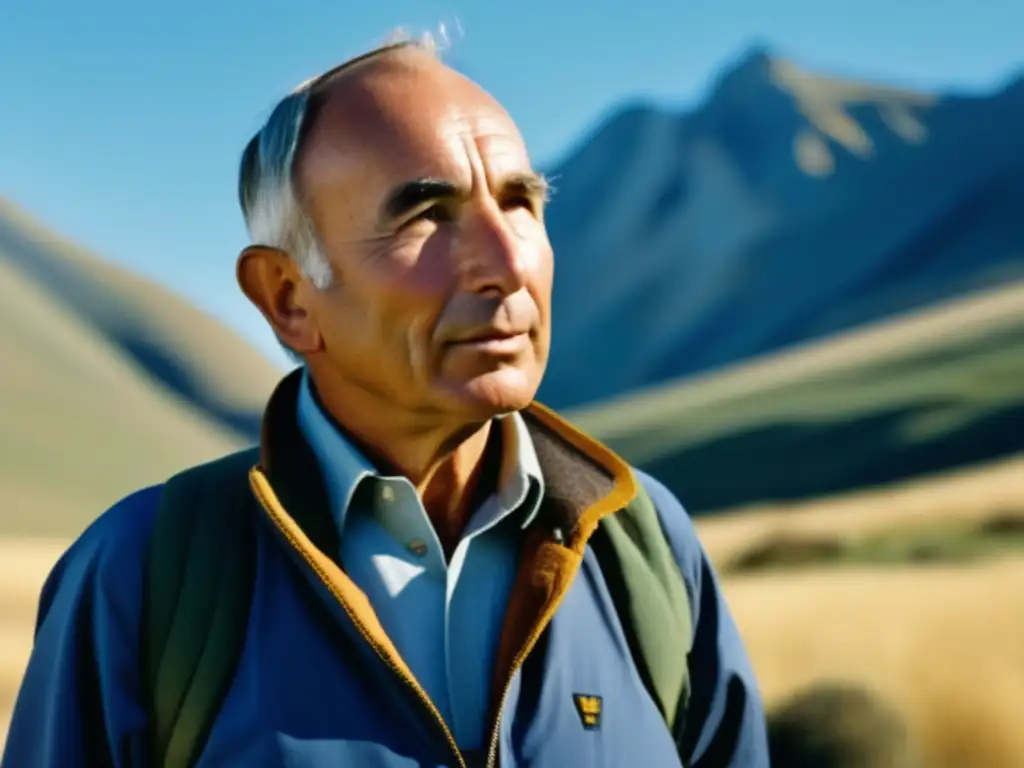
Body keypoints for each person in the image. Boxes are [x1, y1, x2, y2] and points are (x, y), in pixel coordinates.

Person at [2, 34, 769, 768]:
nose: (505, 265)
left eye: (520, 204)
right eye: (426, 216)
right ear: (288, 298)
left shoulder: (643, 547)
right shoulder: (142, 577)